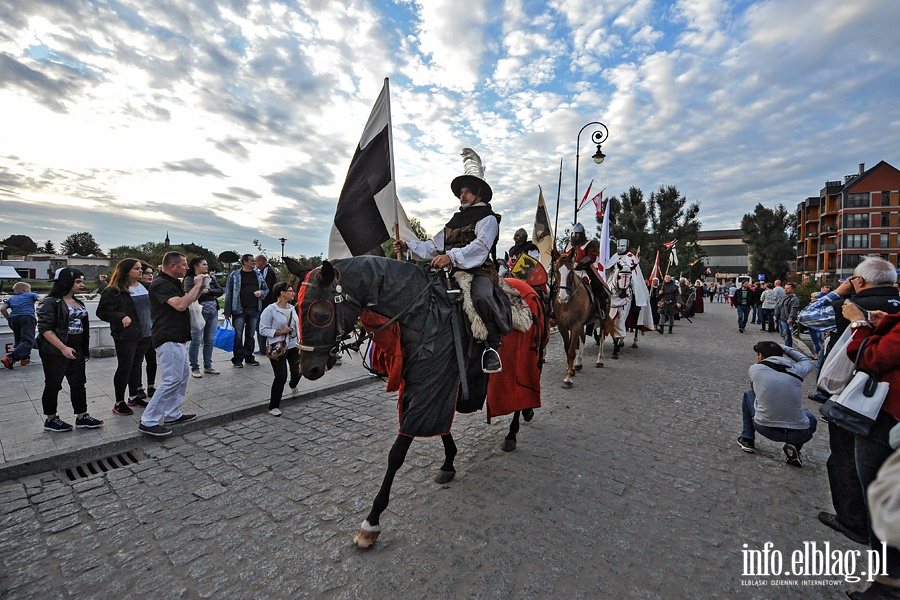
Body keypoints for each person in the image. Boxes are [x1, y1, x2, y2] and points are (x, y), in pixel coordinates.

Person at [797, 257, 900, 548]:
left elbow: (807, 317)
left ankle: (853, 520)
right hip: (894, 403)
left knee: (845, 457)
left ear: (858, 281)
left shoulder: (852, 306)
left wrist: (838, 293)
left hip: (854, 395)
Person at [393, 148, 510, 373]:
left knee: (482, 297)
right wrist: (409, 246)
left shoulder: (488, 219)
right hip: (449, 271)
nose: (462, 195)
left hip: (479, 271)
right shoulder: (455, 221)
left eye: (466, 192)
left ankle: (491, 347)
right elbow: (434, 246)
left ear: (478, 194)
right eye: (461, 192)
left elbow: (480, 247)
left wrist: (451, 257)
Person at [843, 305, 900, 599]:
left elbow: (869, 358)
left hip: (888, 419)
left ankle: (888, 584)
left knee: (879, 499)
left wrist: (859, 324)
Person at [140, 252, 205, 436]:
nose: (187, 267)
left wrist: (199, 288)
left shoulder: (172, 282)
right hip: (167, 336)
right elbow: (180, 305)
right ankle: (148, 420)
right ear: (172, 266)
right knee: (172, 378)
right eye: (184, 265)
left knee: (182, 375)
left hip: (177, 335)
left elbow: (188, 299)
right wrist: (197, 285)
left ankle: (172, 413)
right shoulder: (160, 284)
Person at [36, 268, 104, 432]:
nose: (82, 284)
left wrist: (80, 348)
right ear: (66, 282)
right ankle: (51, 419)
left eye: (82, 281)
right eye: (78, 282)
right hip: (55, 350)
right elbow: (45, 329)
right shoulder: (51, 302)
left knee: (79, 383)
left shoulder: (78, 302)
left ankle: (82, 416)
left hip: (76, 347)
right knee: (53, 384)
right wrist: (63, 348)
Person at [736, 340, 816, 466]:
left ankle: (747, 438)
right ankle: (793, 446)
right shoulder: (797, 370)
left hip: (764, 426)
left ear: (760, 356)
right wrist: (783, 348)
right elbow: (807, 361)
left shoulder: (755, 369)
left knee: (749, 395)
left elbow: (756, 392)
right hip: (798, 432)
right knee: (811, 418)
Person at [96, 258, 152, 416]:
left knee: (136, 365)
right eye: (136, 269)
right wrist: (121, 316)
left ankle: (134, 396)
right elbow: (102, 311)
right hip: (126, 335)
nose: (140, 271)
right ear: (126, 271)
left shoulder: (145, 287)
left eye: (141, 268)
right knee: (125, 367)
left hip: (146, 334)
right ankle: (119, 402)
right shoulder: (113, 290)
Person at [258, 282, 301, 416]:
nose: (293, 293)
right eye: (290, 291)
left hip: (294, 345)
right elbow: (262, 330)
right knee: (281, 376)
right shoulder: (270, 310)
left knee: (297, 370)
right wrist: (281, 331)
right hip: (278, 346)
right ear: (282, 293)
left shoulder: (293, 308)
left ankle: (293, 385)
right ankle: (274, 406)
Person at [224, 254, 268, 368]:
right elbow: (229, 293)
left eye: (254, 260)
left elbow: (265, 288)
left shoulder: (258, 275)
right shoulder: (234, 275)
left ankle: (249, 357)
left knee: (250, 335)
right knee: (238, 335)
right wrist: (227, 311)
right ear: (244, 262)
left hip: (254, 309)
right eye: (252, 261)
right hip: (239, 310)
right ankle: (238, 359)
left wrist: (261, 293)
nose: (254, 262)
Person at [184, 257, 224, 378]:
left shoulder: (210, 278)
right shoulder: (190, 279)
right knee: (196, 340)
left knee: (209, 340)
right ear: (196, 266)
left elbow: (220, 291)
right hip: (198, 311)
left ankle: (208, 365)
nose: (206, 266)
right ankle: (194, 367)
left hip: (213, 311)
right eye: (204, 264)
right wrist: (201, 289)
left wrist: (208, 291)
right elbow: (190, 293)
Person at [131, 264, 158, 402]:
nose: (149, 275)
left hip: (152, 329)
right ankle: (138, 387)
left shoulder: (153, 288)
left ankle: (151, 385)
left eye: (151, 273)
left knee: (151, 359)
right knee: (137, 361)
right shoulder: (135, 289)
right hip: (138, 331)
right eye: (146, 273)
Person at [1, 281, 41, 369]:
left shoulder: (11, 298)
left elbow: (3, 309)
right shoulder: (30, 295)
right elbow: (41, 300)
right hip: (27, 317)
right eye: (30, 289)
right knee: (28, 340)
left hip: (13, 319)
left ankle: (24, 359)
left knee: (19, 339)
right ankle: (11, 358)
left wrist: (9, 319)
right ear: (25, 289)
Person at [255, 254, 278, 356]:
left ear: (261, 262)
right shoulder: (266, 270)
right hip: (267, 303)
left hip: (266, 303)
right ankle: (262, 348)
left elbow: (267, 288)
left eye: (256, 262)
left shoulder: (267, 271)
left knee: (261, 326)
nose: (255, 264)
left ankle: (263, 348)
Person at [774, 282, 799, 347]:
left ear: (792, 290)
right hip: (781, 319)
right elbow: (778, 307)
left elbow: (794, 309)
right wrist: (776, 316)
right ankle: (786, 346)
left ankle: (788, 348)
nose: (785, 290)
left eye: (787, 288)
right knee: (783, 334)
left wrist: (790, 317)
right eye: (785, 288)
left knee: (787, 335)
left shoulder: (794, 299)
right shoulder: (783, 298)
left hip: (787, 319)